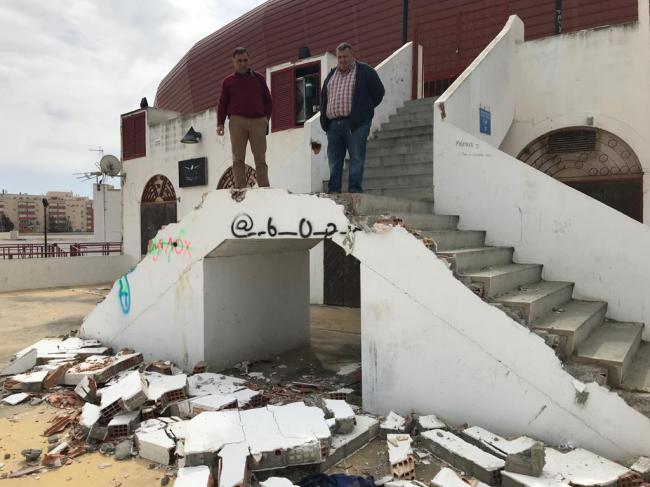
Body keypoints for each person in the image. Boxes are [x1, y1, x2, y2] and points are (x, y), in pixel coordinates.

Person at [320, 42, 385, 193]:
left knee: (356, 158)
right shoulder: (331, 75)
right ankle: (334, 190)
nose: (342, 60)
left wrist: (364, 111)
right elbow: (324, 98)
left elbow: (379, 93)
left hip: (356, 124)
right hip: (334, 126)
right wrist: (326, 122)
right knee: (334, 160)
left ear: (352, 56)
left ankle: (355, 190)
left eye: (345, 56)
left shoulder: (365, 71)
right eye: (339, 57)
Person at [217, 47, 272, 188]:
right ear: (233, 62)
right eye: (239, 60)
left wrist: (266, 118)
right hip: (237, 122)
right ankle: (240, 189)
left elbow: (268, 100)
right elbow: (222, 103)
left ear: (249, 60)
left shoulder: (259, 79)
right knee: (238, 158)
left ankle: (264, 187)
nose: (243, 63)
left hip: (258, 121)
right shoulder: (227, 82)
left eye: (245, 60)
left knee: (260, 158)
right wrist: (220, 124)